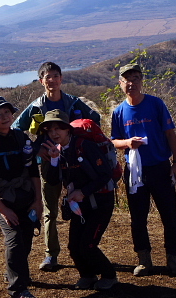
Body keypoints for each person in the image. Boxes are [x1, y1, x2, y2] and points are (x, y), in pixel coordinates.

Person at [12, 62, 101, 272]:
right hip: (48, 164)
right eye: (47, 77)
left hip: (74, 164)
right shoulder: (36, 107)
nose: (51, 80)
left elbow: (94, 119)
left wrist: (81, 142)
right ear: (41, 81)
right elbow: (17, 130)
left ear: (61, 78)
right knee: (49, 210)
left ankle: (85, 248)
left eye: (55, 76)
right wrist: (35, 149)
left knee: (80, 205)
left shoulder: (73, 103)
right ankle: (51, 254)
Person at [110, 63, 176, 276]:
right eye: (126, 80)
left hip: (160, 168)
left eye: (135, 78)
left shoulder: (155, 104)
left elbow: (170, 134)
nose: (131, 83)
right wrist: (127, 143)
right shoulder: (119, 112)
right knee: (138, 217)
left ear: (141, 81)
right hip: (134, 172)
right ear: (120, 84)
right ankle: (144, 259)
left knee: (169, 214)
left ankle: (173, 257)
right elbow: (114, 141)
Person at [40, 109, 118, 291]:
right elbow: (52, 180)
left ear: (68, 129)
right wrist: (52, 160)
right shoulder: (58, 151)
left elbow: (105, 174)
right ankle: (87, 275)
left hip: (101, 202)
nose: (54, 133)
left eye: (58, 128)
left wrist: (83, 191)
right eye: (50, 130)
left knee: (88, 245)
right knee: (74, 246)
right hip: (80, 205)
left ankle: (109, 276)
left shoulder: (85, 145)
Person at [0, 96, 43, 298]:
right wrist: (4, 211)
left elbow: (33, 172)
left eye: (6, 112)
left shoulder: (21, 139)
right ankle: (18, 289)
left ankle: (17, 273)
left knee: (27, 237)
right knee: (14, 238)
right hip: (0, 199)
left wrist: (38, 201)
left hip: (24, 195)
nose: (4, 117)